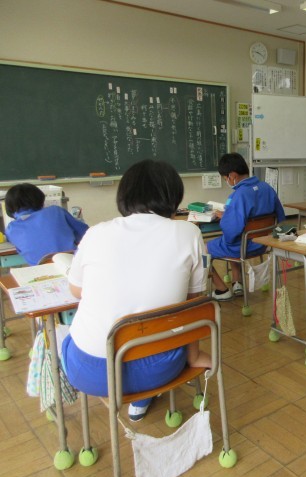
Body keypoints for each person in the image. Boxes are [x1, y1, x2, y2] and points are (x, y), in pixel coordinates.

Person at [61, 159, 210, 422]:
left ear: (125, 195)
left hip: (92, 374)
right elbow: (193, 304)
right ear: (173, 195)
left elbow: (76, 290)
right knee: (147, 334)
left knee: (64, 332)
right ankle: (140, 400)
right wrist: (195, 356)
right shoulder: (189, 233)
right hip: (160, 368)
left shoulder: (95, 233)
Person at [207, 153, 285, 301]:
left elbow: (230, 233)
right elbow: (280, 217)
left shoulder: (238, 195)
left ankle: (222, 290)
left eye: (225, 178)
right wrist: (230, 216)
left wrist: (227, 217)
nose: (226, 181)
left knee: (203, 250)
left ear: (232, 175)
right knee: (234, 237)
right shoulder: (267, 188)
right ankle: (237, 283)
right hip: (263, 245)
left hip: (243, 247)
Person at [4, 183, 88, 265]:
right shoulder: (56, 211)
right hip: (73, 263)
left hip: (42, 270)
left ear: (9, 208)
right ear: (41, 200)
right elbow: (86, 233)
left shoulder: (11, 229)